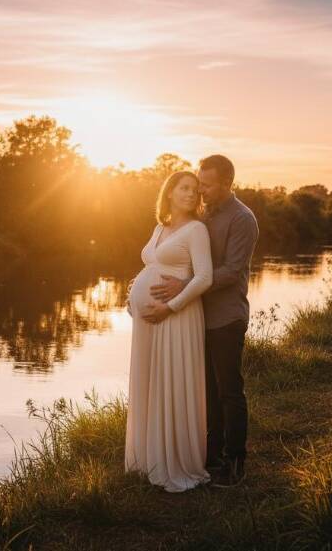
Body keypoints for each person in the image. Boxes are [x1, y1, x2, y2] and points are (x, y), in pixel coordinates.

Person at [149, 155, 258, 488]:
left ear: (227, 183)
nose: (201, 191)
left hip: (225, 316)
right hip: (196, 316)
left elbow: (230, 272)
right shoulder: (203, 213)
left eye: (207, 185)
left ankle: (236, 462)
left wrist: (185, 284)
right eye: (199, 184)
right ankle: (212, 456)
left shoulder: (242, 219)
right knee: (207, 392)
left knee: (229, 391)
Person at [124, 170, 213, 493]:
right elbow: (152, 264)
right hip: (148, 320)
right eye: (184, 188)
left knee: (171, 381)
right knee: (150, 381)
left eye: (195, 190)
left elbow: (204, 278)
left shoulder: (197, 230)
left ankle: (175, 462)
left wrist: (169, 307)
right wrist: (134, 289)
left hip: (177, 316)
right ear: (170, 192)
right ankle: (147, 458)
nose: (191, 194)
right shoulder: (160, 227)